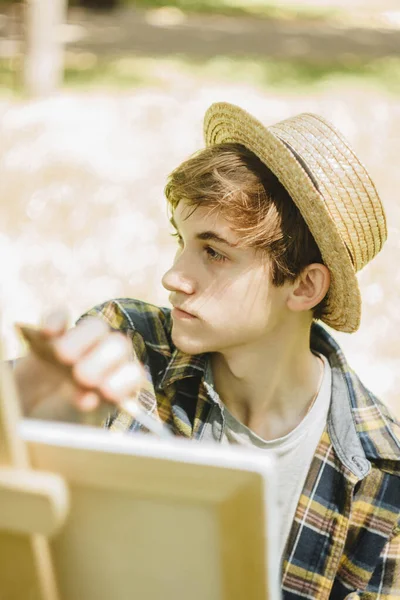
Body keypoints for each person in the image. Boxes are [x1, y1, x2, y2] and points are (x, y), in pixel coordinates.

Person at [12, 103, 400, 598]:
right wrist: (27, 397)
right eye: (182, 241)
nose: (173, 277)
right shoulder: (124, 345)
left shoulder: (382, 475)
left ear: (304, 287)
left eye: (214, 252)